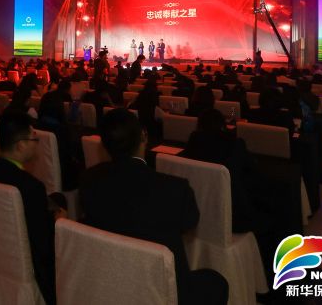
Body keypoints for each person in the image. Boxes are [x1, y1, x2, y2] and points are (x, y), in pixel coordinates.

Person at [80, 109, 228, 305]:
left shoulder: (89, 179)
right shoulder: (174, 189)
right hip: (167, 290)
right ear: (144, 135)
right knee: (217, 282)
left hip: (114, 279)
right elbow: (190, 222)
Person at [0, 112, 65, 305]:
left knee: (57, 199)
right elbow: (43, 245)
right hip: (25, 263)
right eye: (34, 139)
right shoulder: (31, 187)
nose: (36, 144)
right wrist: (58, 223)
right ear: (21, 145)